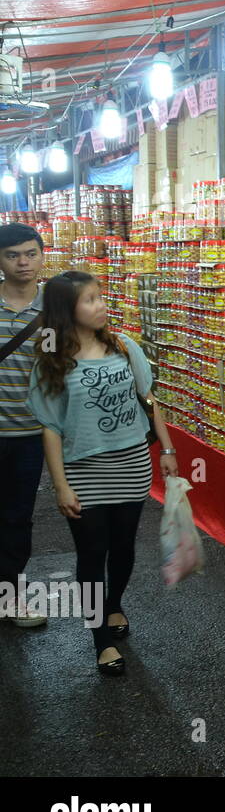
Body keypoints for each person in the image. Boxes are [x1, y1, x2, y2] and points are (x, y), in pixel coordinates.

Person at [28, 270, 179, 675]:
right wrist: (60, 486)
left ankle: (114, 605)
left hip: (131, 464)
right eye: (90, 300)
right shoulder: (52, 363)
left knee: (125, 547)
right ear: (66, 310)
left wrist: (167, 448)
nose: (102, 305)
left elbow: (148, 399)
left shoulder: (124, 346)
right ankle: (100, 640)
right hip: (84, 471)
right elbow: (51, 429)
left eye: (101, 297)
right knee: (92, 554)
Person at [0, 223, 48, 628]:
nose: (22, 262)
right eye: (13, 255)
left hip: (29, 435)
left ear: (41, 256)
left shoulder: (57, 308)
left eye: (30, 253)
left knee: (17, 516)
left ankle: (10, 595)